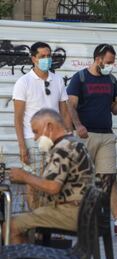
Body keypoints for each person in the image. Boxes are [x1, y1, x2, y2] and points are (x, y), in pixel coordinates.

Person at [66, 43, 117, 236]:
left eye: (112, 62)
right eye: (108, 62)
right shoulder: (79, 78)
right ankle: (78, 219)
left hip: (106, 135)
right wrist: (78, 125)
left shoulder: (111, 80)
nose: (111, 65)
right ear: (98, 59)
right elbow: (71, 105)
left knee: (110, 178)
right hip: (85, 136)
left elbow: (115, 110)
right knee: (82, 179)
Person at [6, 108, 94, 244]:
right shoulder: (73, 143)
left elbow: (53, 187)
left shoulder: (63, 148)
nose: (35, 138)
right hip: (82, 211)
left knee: (10, 226)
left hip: (72, 212)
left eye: (36, 132)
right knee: (26, 223)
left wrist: (24, 176)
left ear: (49, 127)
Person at [12, 41, 72, 208]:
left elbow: (64, 112)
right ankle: (35, 225)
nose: (47, 59)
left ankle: (48, 224)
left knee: (55, 183)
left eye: (49, 56)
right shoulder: (23, 82)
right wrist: (22, 146)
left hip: (56, 142)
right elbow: (17, 118)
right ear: (33, 59)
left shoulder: (58, 80)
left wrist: (67, 139)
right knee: (33, 183)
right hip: (33, 140)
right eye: (42, 56)